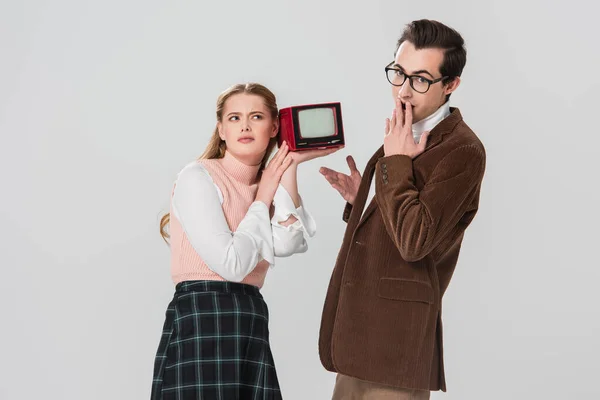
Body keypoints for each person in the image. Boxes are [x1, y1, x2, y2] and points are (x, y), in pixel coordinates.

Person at [318, 19, 486, 399]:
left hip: (397, 342)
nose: (404, 90)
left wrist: (395, 164)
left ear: (451, 85)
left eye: (421, 79)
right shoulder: (406, 129)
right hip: (360, 336)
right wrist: (364, 202)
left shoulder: (461, 150)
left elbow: (414, 241)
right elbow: (402, 218)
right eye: (399, 73)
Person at [151, 82, 338, 400]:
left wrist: (287, 165)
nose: (246, 126)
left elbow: (289, 241)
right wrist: (265, 193)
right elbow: (232, 264)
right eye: (235, 118)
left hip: (248, 315)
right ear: (221, 129)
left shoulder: (262, 184)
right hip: (202, 316)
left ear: (274, 126)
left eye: (256, 117)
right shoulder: (197, 177)